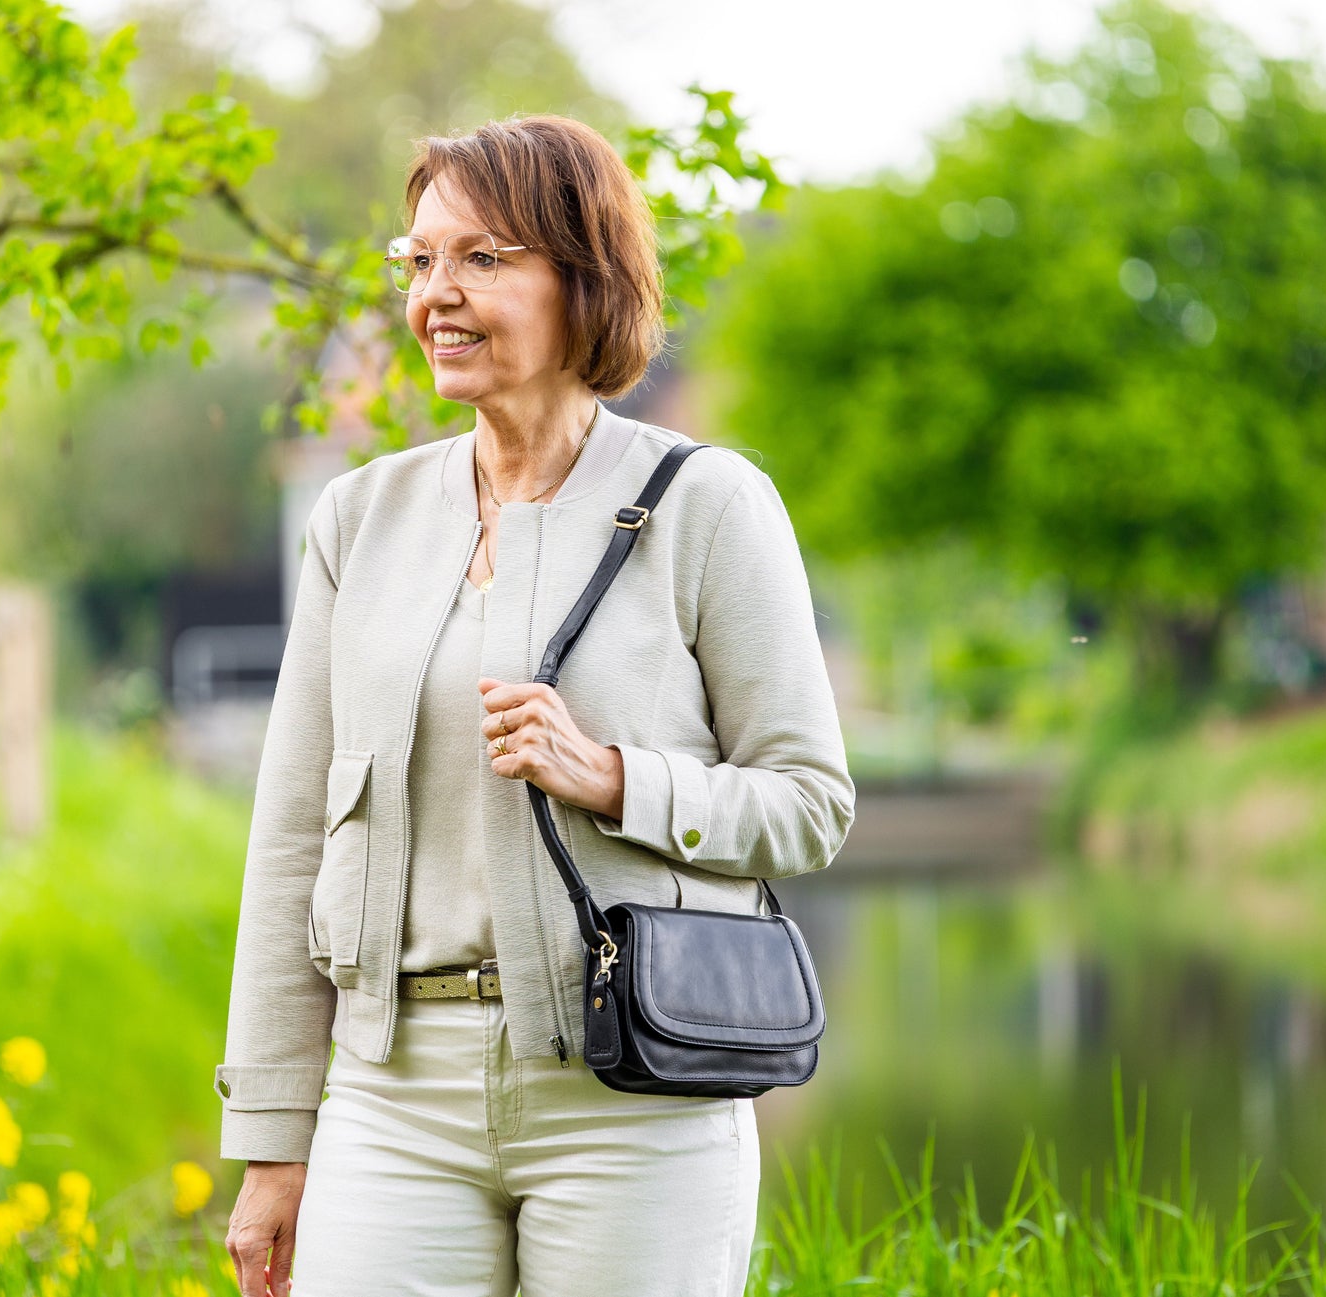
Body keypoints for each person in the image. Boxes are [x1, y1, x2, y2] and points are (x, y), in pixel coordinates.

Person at [213, 112, 855, 1297]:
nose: (434, 295)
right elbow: (292, 835)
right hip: (391, 1096)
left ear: (583, 277)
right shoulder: (358, 519)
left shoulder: (707, 505)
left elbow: (809, 803)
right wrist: (272, 1137)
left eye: (480, 258)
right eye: (418, 261)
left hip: (632, 1090)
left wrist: (612, 778)